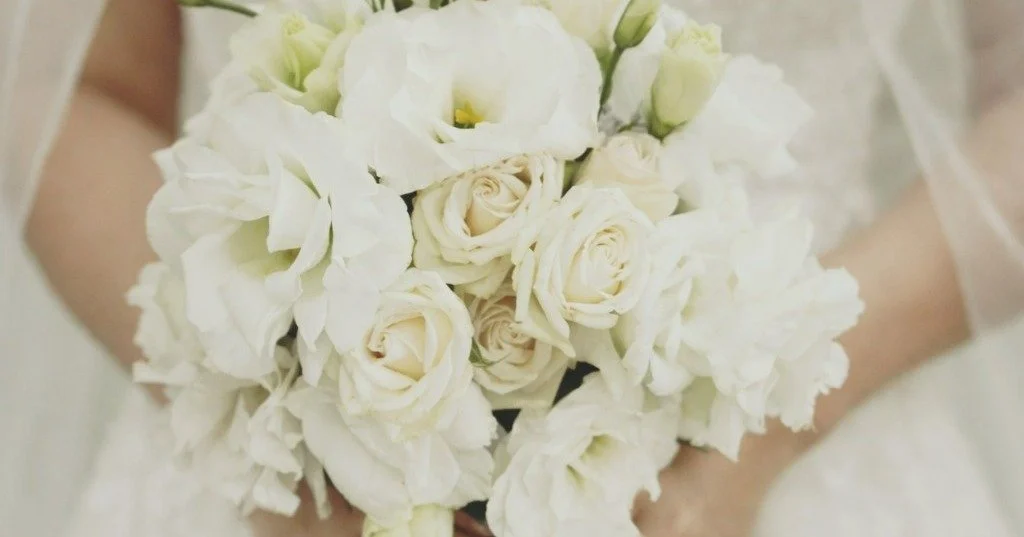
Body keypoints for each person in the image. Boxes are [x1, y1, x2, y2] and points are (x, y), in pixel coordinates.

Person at [2, 0, 1022, 535]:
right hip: (269, 477)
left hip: (801, 444)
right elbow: (65, 88)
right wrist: (288, 441)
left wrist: (755, 437)